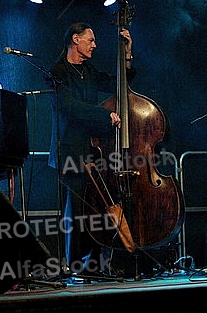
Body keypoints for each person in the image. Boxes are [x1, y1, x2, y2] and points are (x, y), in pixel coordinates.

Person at [46, 21, 135, 276]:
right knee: (76, 213)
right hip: (69, 152)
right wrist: (104, 114)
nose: (94, 45)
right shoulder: (58, 72)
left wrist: (126, 55)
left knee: (95, 210)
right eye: (90, 40)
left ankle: (93, 265)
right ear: (75, 40)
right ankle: (74, 265)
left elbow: (118, 85)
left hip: (92, 150)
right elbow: (69, 106)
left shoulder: (88, 70)